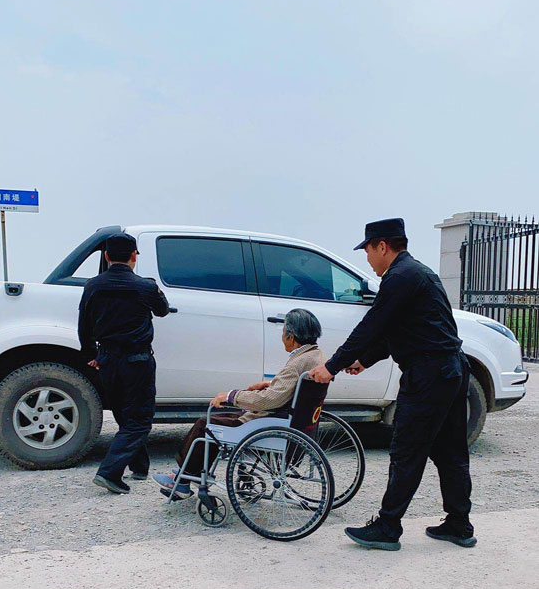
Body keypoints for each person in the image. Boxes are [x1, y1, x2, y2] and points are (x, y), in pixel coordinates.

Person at [310, 217, 475, 551]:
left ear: (382, 246)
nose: (368, 259)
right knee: (450, 451)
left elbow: (371, 326)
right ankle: (459, 524)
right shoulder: (418, 273)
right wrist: (365, 360)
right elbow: (398, 330)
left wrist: (331, 366)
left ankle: (387, 528)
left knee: (406, 451)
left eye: (368, 251)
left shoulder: (399, 277)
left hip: (429, 375)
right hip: (451, 371)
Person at [152, 308, 325, 499]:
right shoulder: (315, 356)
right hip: (289, 418)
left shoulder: (297, 363)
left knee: (205, 424)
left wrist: (232, 396)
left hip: (269, 419)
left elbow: (269, 400)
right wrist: (270, 384)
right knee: (219, 421)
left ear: (291, 337)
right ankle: (188, 473)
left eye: (283, 332)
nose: (282, 337)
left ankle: (183, 481)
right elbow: (292, 388)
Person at [78, 232, 170, 493]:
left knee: (124, 416)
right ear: (133, 256)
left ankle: (139, 467)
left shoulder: (92, 286)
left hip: (107, 359)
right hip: (137, 360)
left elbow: (84, 325)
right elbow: (162, 310)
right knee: (139, 420)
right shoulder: (144, 287)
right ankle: (109, 473)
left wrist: (91, 355)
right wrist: (155, 288)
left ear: (107, 256)